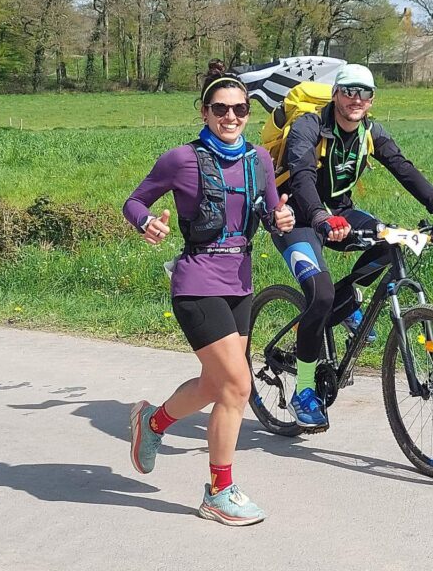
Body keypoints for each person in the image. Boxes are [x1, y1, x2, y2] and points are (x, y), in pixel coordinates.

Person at [122, 62, 295, 527]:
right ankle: (218, 491)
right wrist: (146, 222)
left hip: (240, 281)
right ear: (204, 112)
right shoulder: (180, 159)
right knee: (238, 385)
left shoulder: (259, 159)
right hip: (197, 282)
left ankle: (152, 423)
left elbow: (275, 209)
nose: (231, 116)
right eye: (221, 109)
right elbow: (134, 201)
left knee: (217, 384)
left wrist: (284, 219)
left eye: (240, 109)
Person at [273, 64, 433, 429]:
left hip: (340, 214)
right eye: (348, 91)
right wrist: (318, 217)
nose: (356, 99)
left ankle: (347, 303)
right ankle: (303, 390)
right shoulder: (308, 127)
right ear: (336, 94)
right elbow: (300, 175)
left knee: (391, 241)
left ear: (372, 99)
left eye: (364, 93)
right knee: (321, 294)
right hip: (296, 217)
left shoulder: (370, 132)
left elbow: (403, 168)